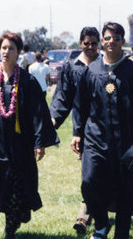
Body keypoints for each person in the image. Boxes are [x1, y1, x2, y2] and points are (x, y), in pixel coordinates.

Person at [73, 22, 133, 239]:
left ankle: (122, 233)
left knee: (126, 186)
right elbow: (81, 105)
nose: (110, 41)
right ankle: (102, 224)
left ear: (123, 41)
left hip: (131, 142)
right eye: (107, 38)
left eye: (115, 38)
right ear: (102, 42)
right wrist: (77, 132)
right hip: (96, 139)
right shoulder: (92, 71)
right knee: (89, 181)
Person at [0, 33, 59, 239]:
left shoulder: (27, 81)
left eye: (11, 48)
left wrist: (39, 142)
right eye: (3, 48)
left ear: (19, 52)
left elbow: (38, 113)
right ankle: (18, 212)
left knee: (17, 182)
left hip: (20, 142)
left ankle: (11, 224)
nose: (6, 52)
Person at [49, 26, 101, 234]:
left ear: (99, 44)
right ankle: (85, 214)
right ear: (80, 43)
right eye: (86, 43)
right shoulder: (72, 67)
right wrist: (51, 121)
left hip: (107, 128)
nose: (90, 47)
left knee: (101, 174)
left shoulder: (106, 65)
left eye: (94, 43)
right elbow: (63, 97)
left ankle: (90, 213)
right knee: (89, 174)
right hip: (84, 130)